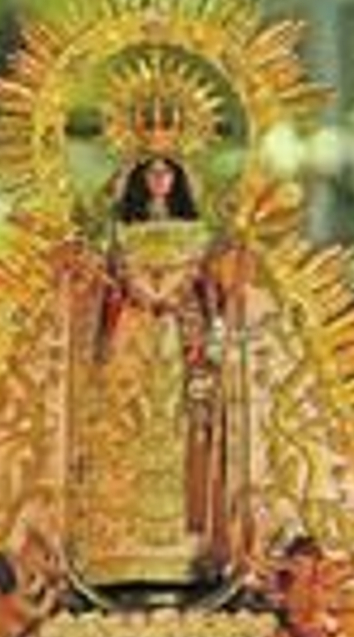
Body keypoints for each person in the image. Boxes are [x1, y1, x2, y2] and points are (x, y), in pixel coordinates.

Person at [67, 155, 239, 589]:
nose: (159, 180)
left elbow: (205, 280)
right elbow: (113, 274)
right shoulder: (120, 233)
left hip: (180, 336)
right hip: (134, 333)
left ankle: (188, 547)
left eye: (167, 172)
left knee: (185, 428)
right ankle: (119, 548)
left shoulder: (196, 231)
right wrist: (144, 293)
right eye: (151, 173)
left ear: (178, 179)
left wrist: (175, 293)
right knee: (125, 425)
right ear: (140, 180)